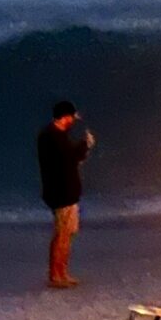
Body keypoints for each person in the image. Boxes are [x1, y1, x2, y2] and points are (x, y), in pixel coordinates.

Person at [36, 100, 95, 289]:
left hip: (66, 193)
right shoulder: (52, 137)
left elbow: (70, 159)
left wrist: (81, 149)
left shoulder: (57, 136)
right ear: (65, 116)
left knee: (67, 233)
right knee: (62, 233)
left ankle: (61, 272)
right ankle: (56, 274)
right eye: (71, 117)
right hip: (61, 193)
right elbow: (67, 160)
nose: (73, 121)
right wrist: (84, 146)